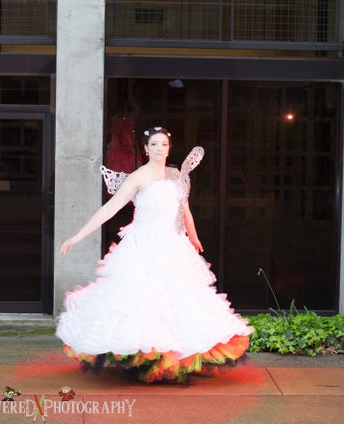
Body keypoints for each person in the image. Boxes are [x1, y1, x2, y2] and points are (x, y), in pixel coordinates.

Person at [56, 126, 254, 384]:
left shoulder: (175, 175)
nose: (159, 149)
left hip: (173, 245)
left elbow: (185, 210)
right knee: (143, 300)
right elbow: (110, 208)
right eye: (154, 145)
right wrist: (78, 235)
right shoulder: (138, 177)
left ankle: (175, 354)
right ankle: (144, 357)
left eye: (163, 145)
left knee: (179, 301)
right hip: (142, 247)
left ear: (169, 148)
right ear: (145, 148)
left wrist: (193, 237)